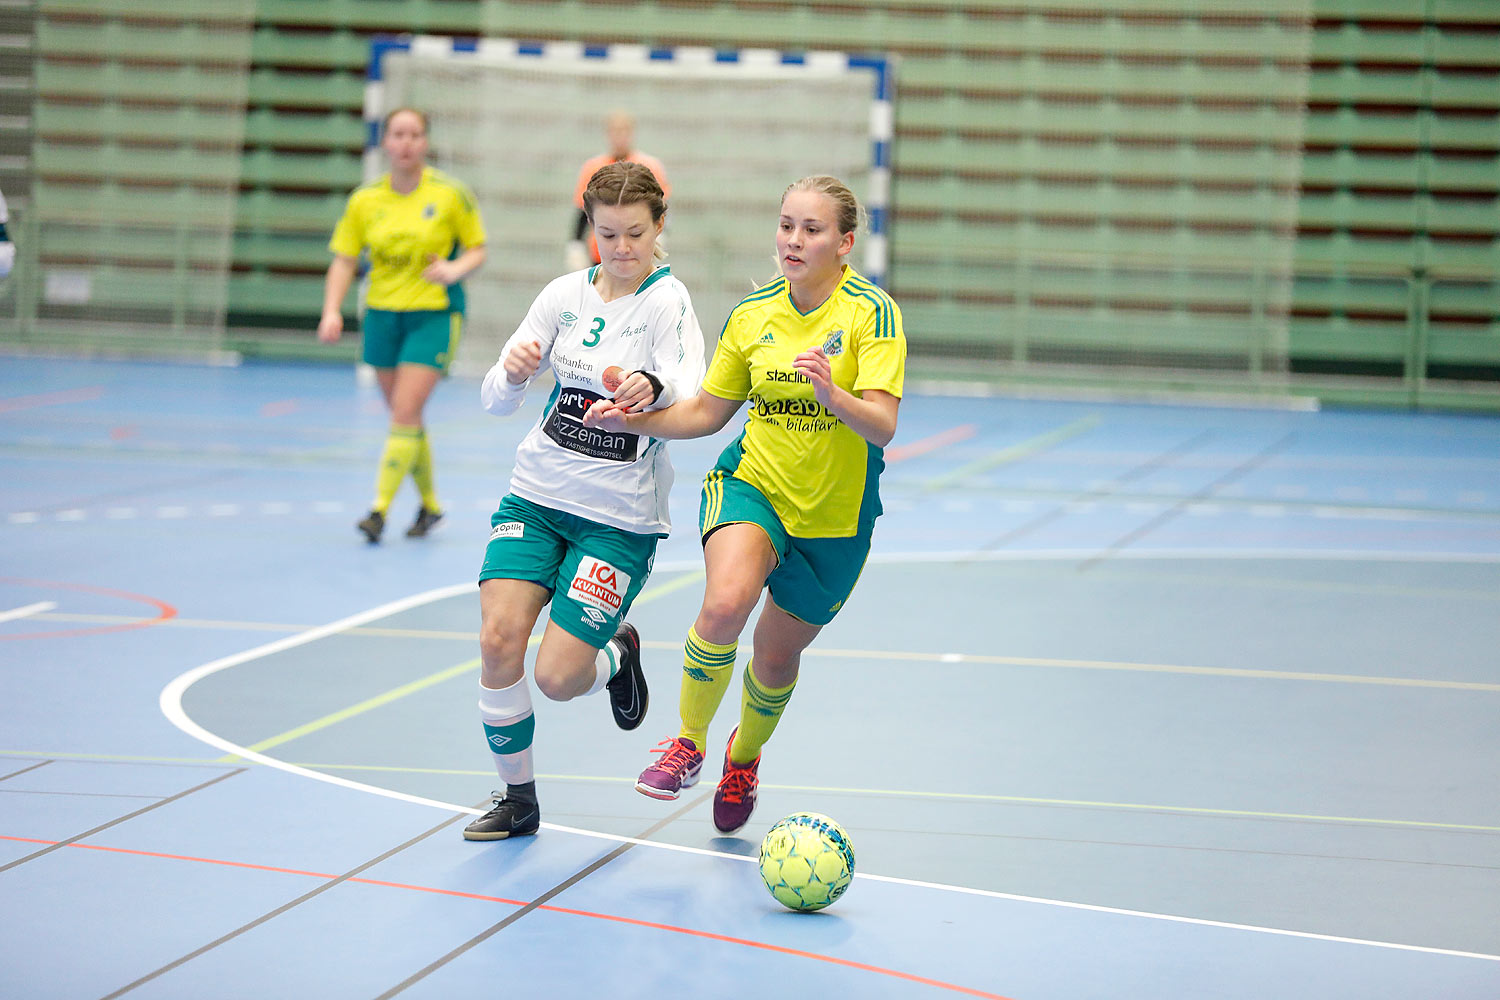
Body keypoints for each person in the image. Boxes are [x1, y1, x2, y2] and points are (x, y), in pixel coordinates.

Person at [583, 175, 906, 835]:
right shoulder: (753, 314)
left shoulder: (872, 314)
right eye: (786, 224)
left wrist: (832, 396)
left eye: (811, 229)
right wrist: (631, 423)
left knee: (776, 658)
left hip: (836, 520)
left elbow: (882, 425)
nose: (793, 239)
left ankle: (744, 758)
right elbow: (705, 411)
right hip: (753, 486)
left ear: (844, 244)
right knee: (726, 603)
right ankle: (688, 742)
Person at [464, 161, 706, 840]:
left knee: (560, 678)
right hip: (536, 497)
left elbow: (689, 386)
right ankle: (519, 801)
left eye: (635, 233)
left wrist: (647, 386)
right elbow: (493, 399)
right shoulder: (564, 294)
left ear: (659, 228)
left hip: (616, 520)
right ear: (590, 228)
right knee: (497, 640)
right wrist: (510, 375)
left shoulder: (667, 301)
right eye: (607, 233)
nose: (622, 247)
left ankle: (617, 655)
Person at [318, 107, 487, 543]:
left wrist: (455, 269)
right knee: (404, 419)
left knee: (405, 413)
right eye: (398, 133)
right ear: (385, 142)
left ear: (425, 142)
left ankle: (378, 511)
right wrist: (332, 310)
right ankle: (430, 507)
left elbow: (476, 248)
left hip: (433, 314)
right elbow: (344, 259)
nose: (407, 142)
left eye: (415, 134)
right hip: (381, 314)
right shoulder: (365, 200)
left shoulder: (450, 194)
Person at [566, 110, 670, 272]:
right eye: (615, 131)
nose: (619, 137)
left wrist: (661, 235)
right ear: (607, 134)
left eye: (624, 131)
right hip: (601, 254)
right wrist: (576, 243)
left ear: (632, 133)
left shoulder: (650, 166)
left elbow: (662, 208)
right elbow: (582, 210)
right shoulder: (592, 167)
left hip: (637, 253)